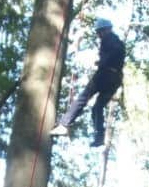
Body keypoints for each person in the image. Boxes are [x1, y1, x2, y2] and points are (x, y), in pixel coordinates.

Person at [50, 17, 125, 147]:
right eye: (98, 32)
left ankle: (64, 124)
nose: (99, 35)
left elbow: (113, 53)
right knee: (97, 107)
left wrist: (103, 62)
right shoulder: (115, 41)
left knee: (83, 98)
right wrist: (102, 61)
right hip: (115, 79)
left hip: (105, 75)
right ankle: (99, 137)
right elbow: (116, 55)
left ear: (107, 30)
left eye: (101, 31)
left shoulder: (110, 39)